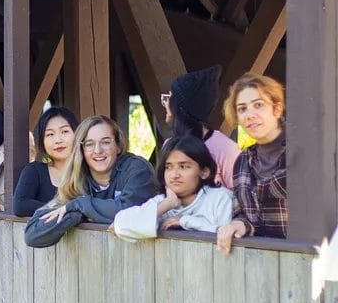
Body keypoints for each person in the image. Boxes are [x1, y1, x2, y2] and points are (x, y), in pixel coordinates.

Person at [24, 115, 156, 248]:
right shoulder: (79, 179)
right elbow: (33, 234)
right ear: (81, 150)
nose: (98, 151)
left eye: (106, 142)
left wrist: (81, 205)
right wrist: (78, 214)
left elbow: (129, 211)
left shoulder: (136, 169)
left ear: (118, 146)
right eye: (89, 144)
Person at [111, 135, 232, 242]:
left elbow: (225, 234)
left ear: (204, 172)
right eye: (168, 167)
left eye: (183, 166)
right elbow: (120, 225)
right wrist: (167, 204)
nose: (174, 175)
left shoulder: (220, 198)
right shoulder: (164, 201)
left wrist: (184, 221)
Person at [216, 73, 286, 255]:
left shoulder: (307, 151)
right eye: (242, 109)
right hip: (264, 263)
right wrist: (238, 224)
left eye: (258, 105)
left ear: (277, 109)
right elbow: (248, 216)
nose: (250, 115)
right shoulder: (242, 162)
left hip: (315, 263)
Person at [162, 65, 241, 189]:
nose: (165, 103)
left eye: (169, 98)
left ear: (180, 108)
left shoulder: (225, 148)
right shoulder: (168, 145)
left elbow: (240, 197)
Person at [13, 107, 79, 217]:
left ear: (77, 134)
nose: (58, 140)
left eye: (64, 131)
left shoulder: (87, 172)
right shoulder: (35, 171)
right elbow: (20, 205)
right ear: (42, 141)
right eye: (50, 134)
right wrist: (63, 209)